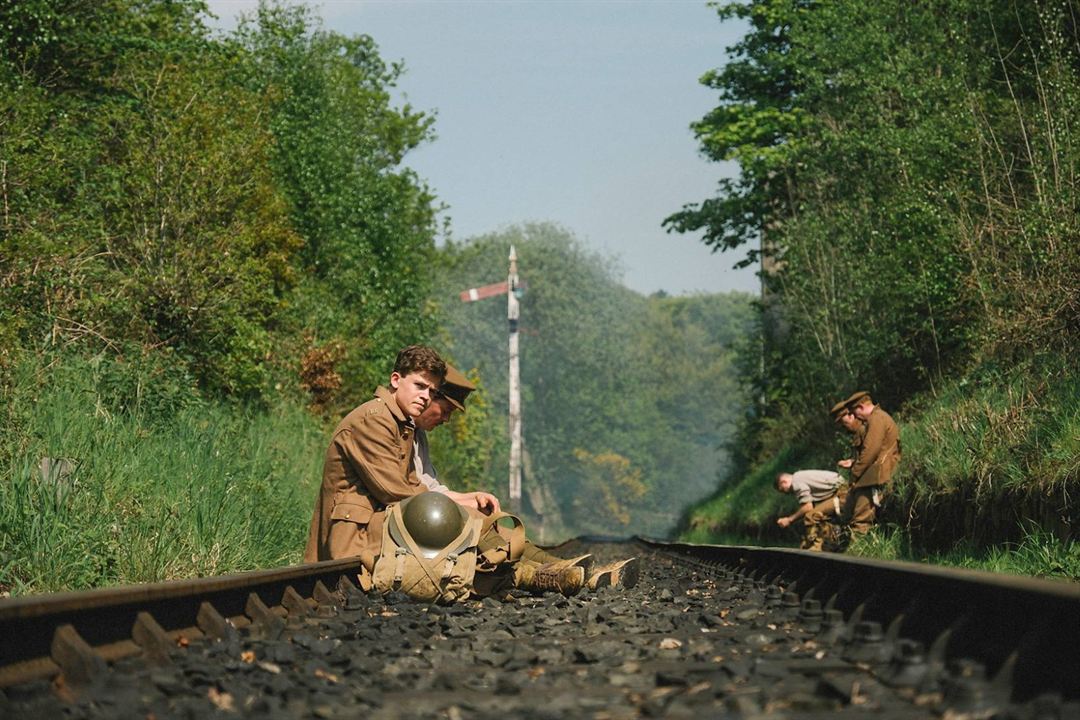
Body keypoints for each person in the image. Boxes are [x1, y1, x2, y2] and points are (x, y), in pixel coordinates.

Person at [413, 362, 639, 591]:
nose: (446, 420)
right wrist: (463, 504)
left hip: (424, 515)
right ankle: (562, 574)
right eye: (446, 410)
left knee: (496, 523)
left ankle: (568, 568)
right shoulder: (387, 424)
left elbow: (430, 487)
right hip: (412, 528)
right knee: (477, 523)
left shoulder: (416, 434)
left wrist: (471, 496)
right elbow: (407, 494)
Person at [841, 391, 901, 538]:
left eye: (855, 413)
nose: (855, 417)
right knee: (853, 515)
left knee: (860, 522)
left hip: (877, 474)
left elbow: (870, 451)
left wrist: (855, 473)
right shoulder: (877, 418)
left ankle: (856, 556)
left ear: (861, 407)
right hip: (874, 473)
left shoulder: (877, 419)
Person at [775, 470, 846, 551]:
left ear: (783, 482)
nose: (785, 493)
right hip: (840, 490)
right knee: (818, 513)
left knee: (810, 516)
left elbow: (808, 507)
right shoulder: (799, 476)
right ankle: (831, 541)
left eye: (782, 490)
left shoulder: (796, 482)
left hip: (842, 492)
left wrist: (789, 519)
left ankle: (817, 547)